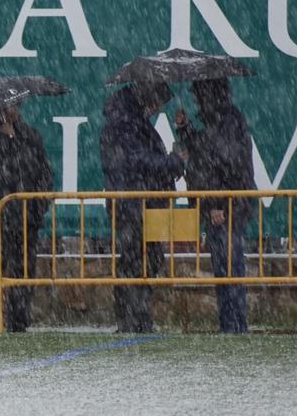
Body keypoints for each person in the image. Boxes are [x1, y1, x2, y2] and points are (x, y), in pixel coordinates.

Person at [99, 80, 185, 334]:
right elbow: (138, 161)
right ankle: (132, 318)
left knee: (144, 260)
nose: (159, 109)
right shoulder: (125, 124)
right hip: (134, 205)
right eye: (158, 102)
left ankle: (136, 315)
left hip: (138, 204)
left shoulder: (128, 121)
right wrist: (172, 162)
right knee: (137, 261)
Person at [0, 103, 54, 332]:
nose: (14, 110)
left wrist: (38, 206)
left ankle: (19, 321)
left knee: (24, 272)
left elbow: (45, 172)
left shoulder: (29, 135)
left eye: (16, 105)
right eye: (10, 106)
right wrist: (5, 141)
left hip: (27, 219)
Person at [177, 78, 253, 333]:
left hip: (225, 206)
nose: (196, 101)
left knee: (228, 267)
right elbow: (209, 153)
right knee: (225, 268)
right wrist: (185, 129)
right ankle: (230, 324)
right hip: (224, 205)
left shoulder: (226, 122)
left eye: (198, 96)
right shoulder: (224, 120)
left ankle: (234, 325)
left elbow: (226, 163)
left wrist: (220, 204)